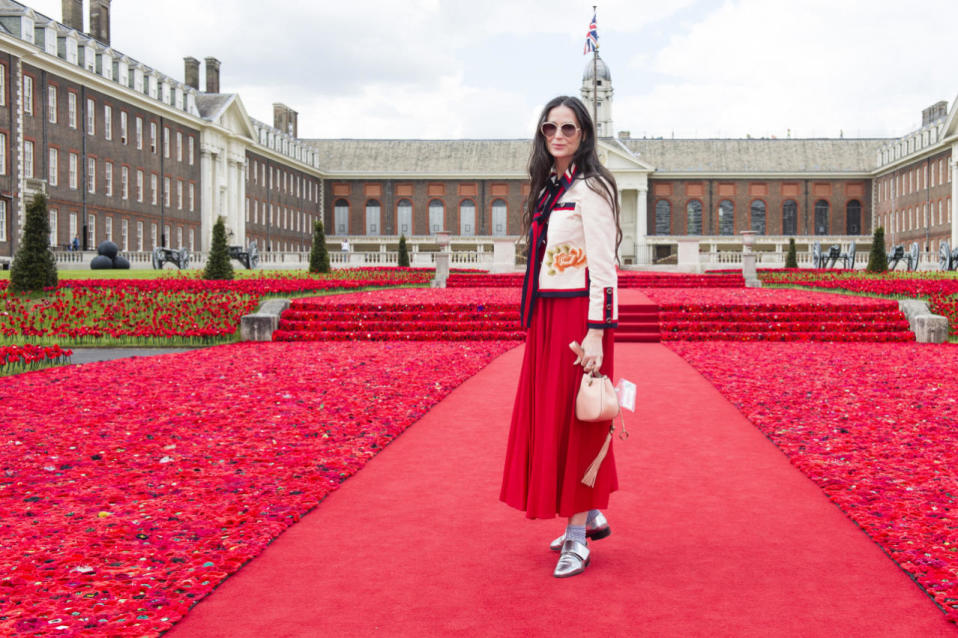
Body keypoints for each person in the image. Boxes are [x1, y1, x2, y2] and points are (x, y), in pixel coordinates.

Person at [500, 95, 621, 578]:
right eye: (549, 128)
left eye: (568, 129)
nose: (557, 136)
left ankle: (578, 537)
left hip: (579, 319)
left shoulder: (592, 188)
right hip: (549, 317)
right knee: (552, 419)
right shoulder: (551, 187)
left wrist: (596, 333)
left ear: (584, 135)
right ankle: (587, 515)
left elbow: (605, 269)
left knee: (579, 423)